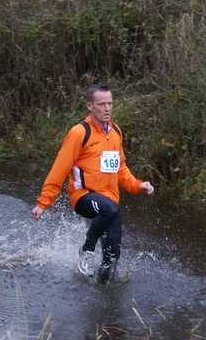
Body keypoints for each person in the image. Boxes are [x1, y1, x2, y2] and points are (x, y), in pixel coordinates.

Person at [31, 85, 154, 285]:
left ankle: (101, 289)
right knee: (110, 208)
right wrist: (44, 201)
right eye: (101, 104)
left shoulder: (115, 132)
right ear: (90, 106)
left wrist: (137, 185)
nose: (107, 108)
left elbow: (119, 168)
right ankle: (87, 249)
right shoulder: (79, 133)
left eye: (110, 104)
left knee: (112, 257)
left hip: (110, 203)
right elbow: (60, 169)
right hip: (83, 196)